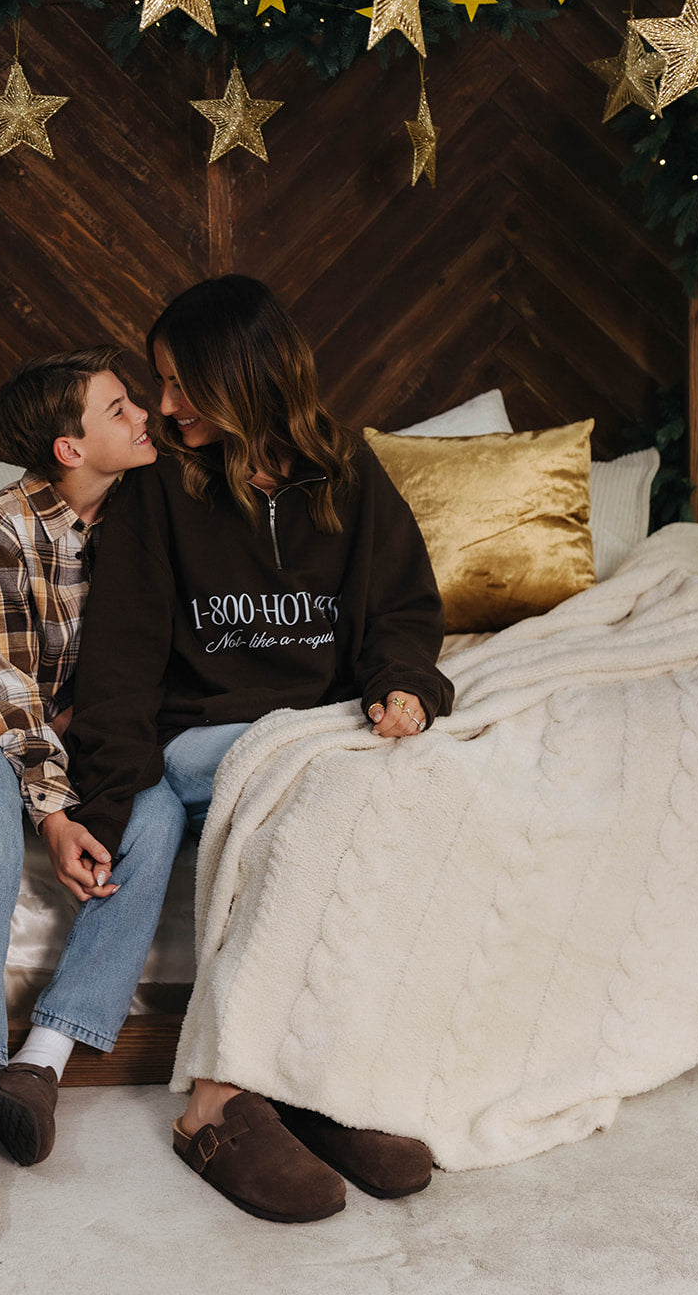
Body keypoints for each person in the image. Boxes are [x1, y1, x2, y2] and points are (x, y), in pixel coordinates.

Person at [60, 277, 454, 1223]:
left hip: (315, 735)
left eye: (178, 384)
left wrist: (400, 686)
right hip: (202, 740)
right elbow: (116, 662)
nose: (162, 408)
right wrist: (105, 805)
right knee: (313, 785)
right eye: (155, 386)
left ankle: (308, 1079)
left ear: (242, 376)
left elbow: (404, 609)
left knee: (381, 794)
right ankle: (216, 1101)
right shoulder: (158, 493)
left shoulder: (349, 473)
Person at [0, 346, 187, 1237]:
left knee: (154, 813)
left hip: (82, 725)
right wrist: (56, 812)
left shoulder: (149, 509)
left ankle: (42, 1060)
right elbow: (9, 692)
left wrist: (94, 780)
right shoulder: (6, 525)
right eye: (118, 409)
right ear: (70, 449)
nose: (143, 415)